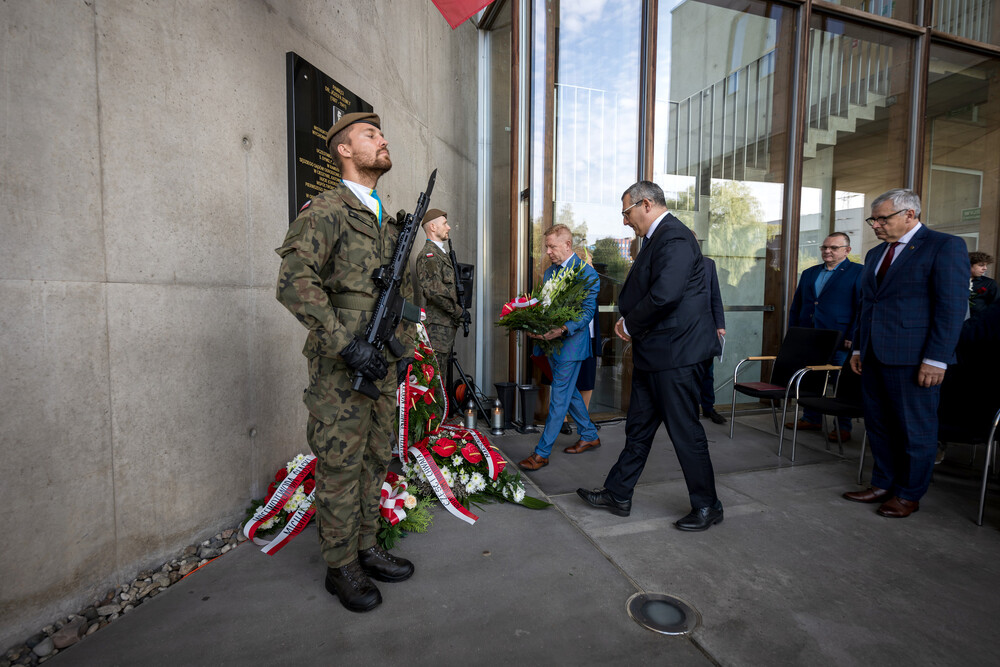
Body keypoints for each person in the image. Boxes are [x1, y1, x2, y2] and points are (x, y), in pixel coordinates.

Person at [275, 111, 416, 612]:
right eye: (370, 135)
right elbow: (294, 283)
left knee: (377, 455)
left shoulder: (385, 217)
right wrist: (343, 342)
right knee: (340, 464)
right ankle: (341, 567)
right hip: (343, 366)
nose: (382, 139)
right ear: (343, 150)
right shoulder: (327, 210)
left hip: (382, 362)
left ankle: (365, 544)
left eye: (382, 131)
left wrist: (403, 343)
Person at [577, 181, 723, 531]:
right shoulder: (659, 238)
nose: (625, 221)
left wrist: (629, 324)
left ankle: (708, 505)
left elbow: (666, 295)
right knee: (638, 429)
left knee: (686, 432)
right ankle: (618, 492)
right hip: (655, 355)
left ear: (645, 204)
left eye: (626, 212)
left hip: (675, 356)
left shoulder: (673, 236)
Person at [843, 188, 968, 518]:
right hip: (873, 356)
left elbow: (951, 308)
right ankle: (883, 483)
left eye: (882, 218)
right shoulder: (874, 255)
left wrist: (936, 358)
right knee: (879, 424)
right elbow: (867, 305)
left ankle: (909, 493)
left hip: (916, 359)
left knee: (916, 429)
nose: (876, 225)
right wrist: (858, 347)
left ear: (910, 215)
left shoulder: (944, 246)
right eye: (874, 219)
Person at [519, 224, 601, 470]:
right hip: (550, 345)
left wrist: (563, 328)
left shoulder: (588, 274)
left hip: (571, 346)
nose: (548, 252)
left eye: (552, 247)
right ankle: (589, 434)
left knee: (559, 397)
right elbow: (544, 306)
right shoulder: (549, 273)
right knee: (569, 392)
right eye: (546, 247)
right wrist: (532, 321)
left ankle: (541, 453)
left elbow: (586, 313)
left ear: (567, 245)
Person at [785, 232, 863, 441]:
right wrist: (795, 333)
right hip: (812, 337)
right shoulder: (809, 273)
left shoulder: (858, 272)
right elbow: (798, 305)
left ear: (847, 250)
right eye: (824, 247)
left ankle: (842, 426)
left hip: (840, 339)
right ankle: (811, 418)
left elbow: (861, 308)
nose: (827, 251)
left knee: (840, 384)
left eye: (834, 248)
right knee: (811, 378)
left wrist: (852, 335)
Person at [415, 209, 468, 360]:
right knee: (437, 379)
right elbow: (434, 292)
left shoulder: (441, 254)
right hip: (437, 330)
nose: (449, 227)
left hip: (445, 328)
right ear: (433, 227)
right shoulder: (429, 255)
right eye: (445, 223)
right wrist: (459, 312)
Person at [698, 256, 727, 424]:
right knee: (686, 373)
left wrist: (719, 325)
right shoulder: (675, 260)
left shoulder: (708, 264)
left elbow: (715, 295)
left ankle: (708, 408)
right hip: (683, 330)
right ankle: (687, 410)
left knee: (707, 372)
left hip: (706, 327)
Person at [968, 251, 997, 319]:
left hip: (979, 322)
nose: (985, 268)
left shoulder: (990, 283)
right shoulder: (958, 282)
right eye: (981, 265)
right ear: (969, 265)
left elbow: (996, 306)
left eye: (986, 265)